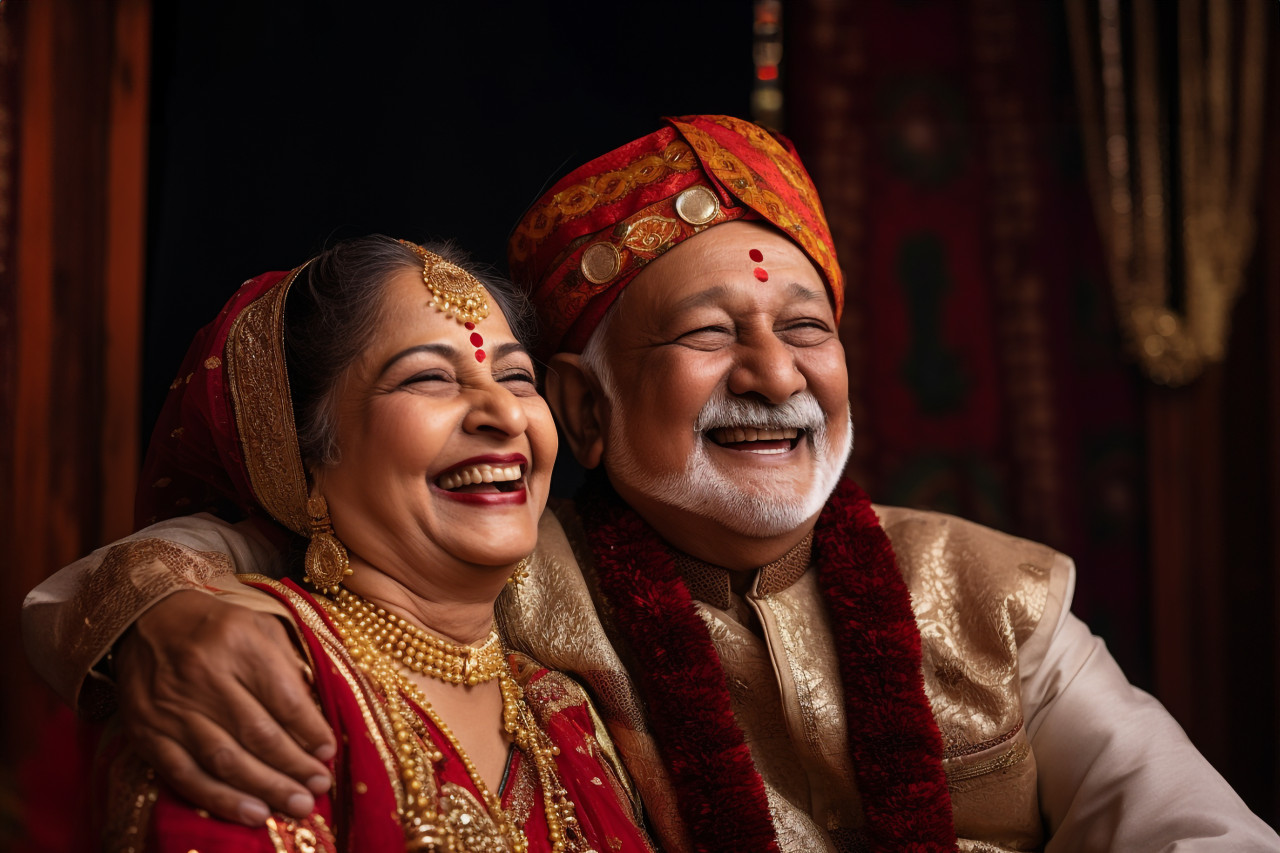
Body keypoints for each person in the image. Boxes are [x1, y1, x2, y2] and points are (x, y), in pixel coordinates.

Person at [24, 118, 1280, 850]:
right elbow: (226, 540)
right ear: (581, 404)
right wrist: (156, 608)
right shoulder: (491, 563)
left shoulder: (992, 596)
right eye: (705, 336)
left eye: (807, 329)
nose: (771, 373)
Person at [62, 236, 655, 851]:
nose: (503, 414)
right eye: (428, 378)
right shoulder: (246, 682)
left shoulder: (562, 712)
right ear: (299, 455)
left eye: (515, 376)